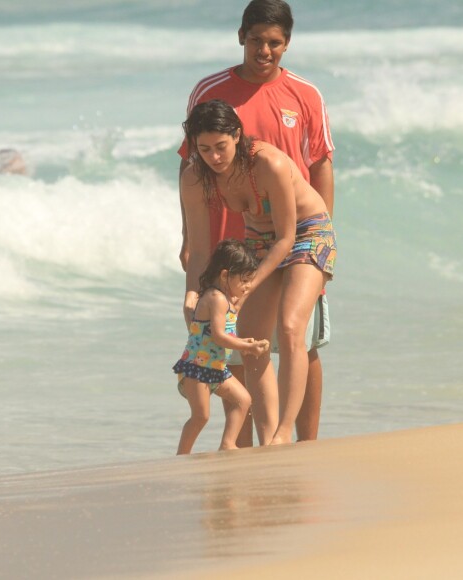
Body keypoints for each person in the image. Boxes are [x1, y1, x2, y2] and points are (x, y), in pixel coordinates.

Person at [178, 0, 334, 444]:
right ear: (240, 36)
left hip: (301, 230)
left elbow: (321, 164)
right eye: (255, 40)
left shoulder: (304, 96)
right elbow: (195, 209)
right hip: (249, 236)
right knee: (246, 340)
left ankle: (298, 439)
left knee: (297, 333)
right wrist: (191, 261)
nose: (264, 50)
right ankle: (253, 445)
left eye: (274, 42)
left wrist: (321, 251)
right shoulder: (209, 97)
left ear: (286, 44)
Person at [173, 238, 270, 455]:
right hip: (197, 368)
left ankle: (227, 443)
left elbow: (222, 334)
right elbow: (218, 336)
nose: (247, 287)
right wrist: (247, 347)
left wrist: (246, 343)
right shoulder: (215, 298)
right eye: (244, 281)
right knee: (201, 416)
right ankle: (181, 455)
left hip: (215, 368)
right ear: (225, 275)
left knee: (243, 400)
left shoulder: (225, 298)